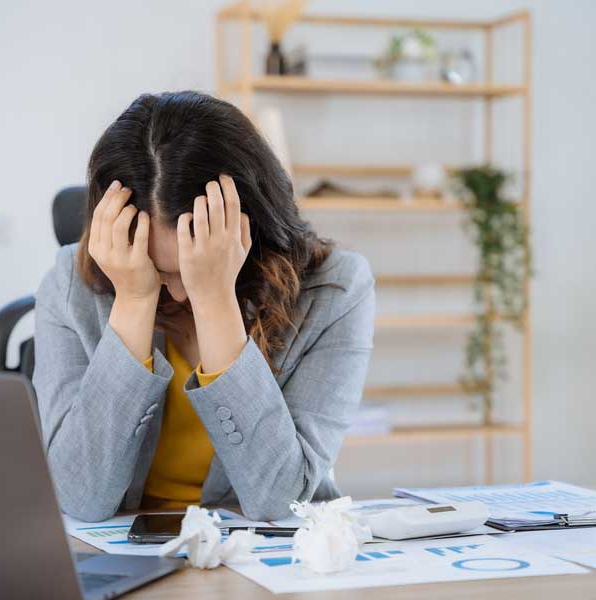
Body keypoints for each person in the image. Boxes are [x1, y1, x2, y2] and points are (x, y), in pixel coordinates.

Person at [33, 90, 375, 522]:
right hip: (124, 545)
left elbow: (278, 501)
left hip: (265, 551)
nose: (179, 295)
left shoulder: (336, 289)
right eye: (158, 271)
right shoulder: (71, 284)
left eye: (194, 266)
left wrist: (215, 298)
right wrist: (134, 300)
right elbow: (80, 498)